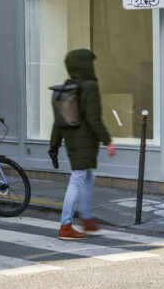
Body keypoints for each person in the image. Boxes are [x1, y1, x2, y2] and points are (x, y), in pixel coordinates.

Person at [47, 48, 115, 239]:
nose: (95, 66)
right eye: (93, 62)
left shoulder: (67, 86)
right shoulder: (89, 87)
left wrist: (54, 145)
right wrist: (108, 141)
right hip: (84, 142)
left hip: (72, 142)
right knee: (77, 180)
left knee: (88, 177)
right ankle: (65, 226)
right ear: (85, 64)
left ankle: (86, 219)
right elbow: (94, 118)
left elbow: (57, 122)